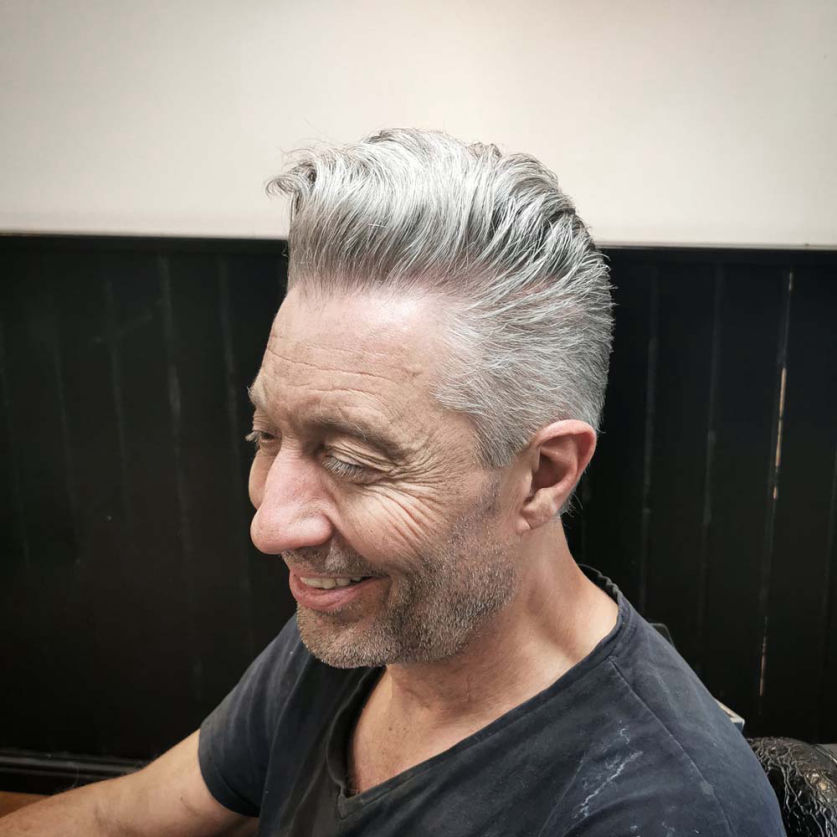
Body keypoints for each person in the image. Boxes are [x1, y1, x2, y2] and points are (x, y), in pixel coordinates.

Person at [0, 129, 785, 836]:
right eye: (266, 435)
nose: (270, 526)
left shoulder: (663, 808)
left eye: (352, 460)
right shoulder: (363, 627)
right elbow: (117, 816)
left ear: (542, 475)